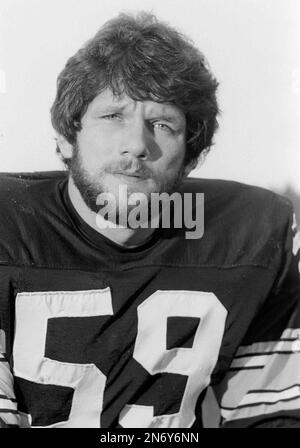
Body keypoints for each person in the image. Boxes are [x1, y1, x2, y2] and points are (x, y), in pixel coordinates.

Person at [0, 12, 299, 428]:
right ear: (67, 137)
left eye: (162, 124)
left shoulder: (254, 233)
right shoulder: (7, 223)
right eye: (112, 116)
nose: (137, 145)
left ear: (192, 155)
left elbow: (275, 416)